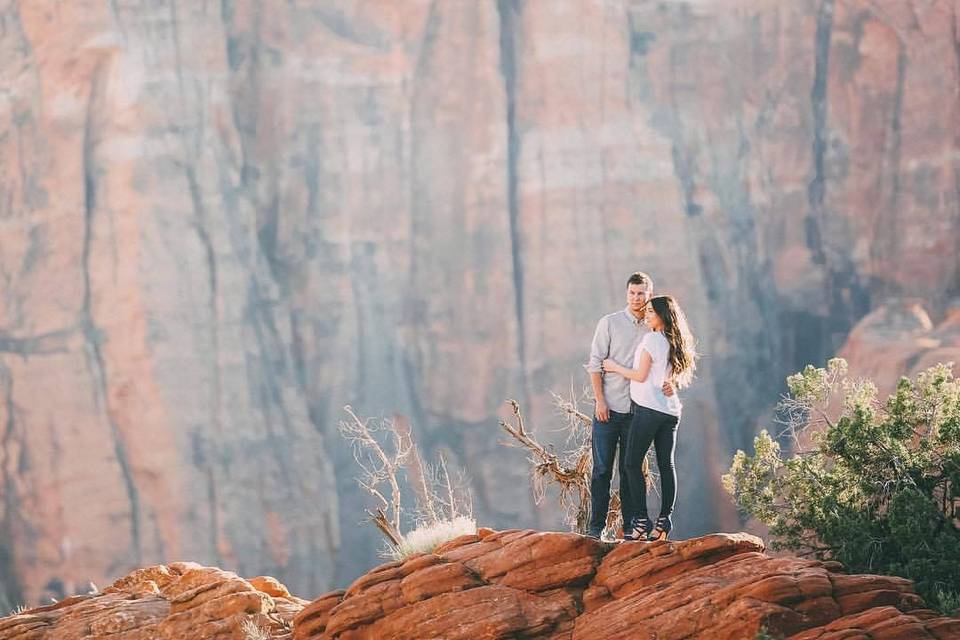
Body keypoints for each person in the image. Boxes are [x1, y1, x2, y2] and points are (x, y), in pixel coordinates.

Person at [584, 273, 673, 540]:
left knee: (629, 470)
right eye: (632, 293)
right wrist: (600, 400)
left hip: (639, 412)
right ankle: (595, 528)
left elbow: (671, 359)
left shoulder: (654, 326)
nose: (636, 298)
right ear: (627, 294)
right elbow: (595, 364)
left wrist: (672, 382)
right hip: (608, 410)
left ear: (649, 295)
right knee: (601, 471)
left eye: (642, 293)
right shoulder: (609, 323)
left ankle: (631, 526)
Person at [603, 294, 697, 541]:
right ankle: (664, 521)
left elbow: (640, 375)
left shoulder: (652, 338)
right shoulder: (674, 341)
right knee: (667, 465)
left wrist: (613, 367)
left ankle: (641, 521)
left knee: (631, 464)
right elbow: (663, 377)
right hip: (670, 411)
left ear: (663, 316)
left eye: (652, 312)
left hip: (648, 410)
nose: (647, 316)